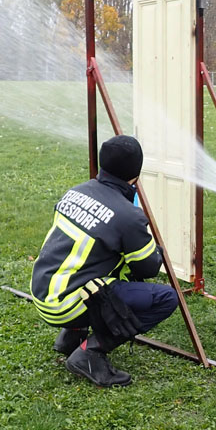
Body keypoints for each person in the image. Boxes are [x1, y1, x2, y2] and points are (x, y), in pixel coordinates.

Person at [30, 135, 178, 387]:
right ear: (136, 175)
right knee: (165, 299)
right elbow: (148, 267)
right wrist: (157, 250)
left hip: (42, 291)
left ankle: (70, 337)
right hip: (65, 305)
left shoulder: (76, 191)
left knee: (102, 268)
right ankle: (89, 353)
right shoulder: (128, 216)